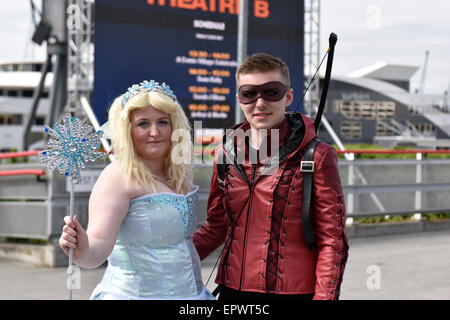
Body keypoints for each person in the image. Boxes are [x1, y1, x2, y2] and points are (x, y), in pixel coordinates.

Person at [193, 53, 349, 300]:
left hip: (295, 294)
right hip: (231, 293)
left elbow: (332, 241)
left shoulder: (317, 156)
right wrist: (167, 262)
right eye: (249, 93)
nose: (260, 103)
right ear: (239, 99)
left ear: (288, 97)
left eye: (271, 92)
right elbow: (216, 227)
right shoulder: (225, 153)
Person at [59, 80, 214, 300]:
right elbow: (96, 250)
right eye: (143, 124)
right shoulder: (117, 177)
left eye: (163, 122)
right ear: (127, 130)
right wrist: (82, 248)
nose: (154, 132)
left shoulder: (180, 175)